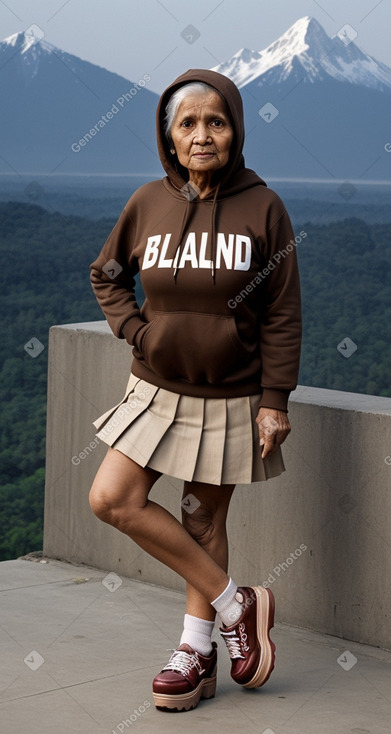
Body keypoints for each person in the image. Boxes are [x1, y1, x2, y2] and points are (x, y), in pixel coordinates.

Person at [88, 68, 301, 713]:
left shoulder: (264, 207)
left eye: (217, 121)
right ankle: (239, 602)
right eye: (189, 124)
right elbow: (107, 274)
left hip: (231, 395)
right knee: (111, 499)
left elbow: (283, 312)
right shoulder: (149, 202)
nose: (203, 135)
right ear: (169, 138)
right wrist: (136, 332)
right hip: (155, 387)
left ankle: (195, 652)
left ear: (235, 131)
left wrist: (274, 401)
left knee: (202, 518)